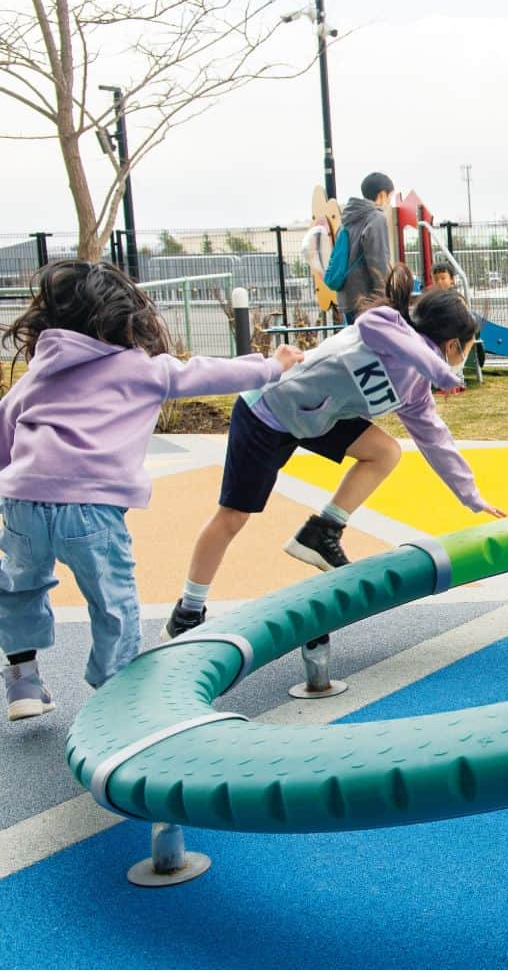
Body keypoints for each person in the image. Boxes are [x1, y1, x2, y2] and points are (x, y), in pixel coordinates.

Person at [0, 260, 303, 719]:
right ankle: (114, 695)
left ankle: (23, 682)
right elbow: (206, 373)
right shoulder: (140, 368)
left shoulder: (39, 374)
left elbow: (5, 430)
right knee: (112, 599)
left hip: (22, 500)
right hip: (90, 507)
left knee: (22, 586)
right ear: (125, 320)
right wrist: (271, 365)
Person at [162, 263, 506, 641]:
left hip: (316, 420)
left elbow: (435, 440)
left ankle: (322, 531)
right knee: (233, 518)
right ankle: (188, 611)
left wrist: (470, 495)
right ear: (454, 345)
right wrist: (442, 372)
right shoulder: (387, 324)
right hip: (268, 411)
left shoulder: (415, 391)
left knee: (386, 452)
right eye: (470, 345)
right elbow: (375, 329)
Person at [338, 172, 395, 325]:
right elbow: (378, 261)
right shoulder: (376, 218)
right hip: (367, 301)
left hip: (347, 297)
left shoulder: (348, 218)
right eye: (390, 196)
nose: (389, 201)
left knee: (353, 344)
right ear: (382, 195)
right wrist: (384, 299)